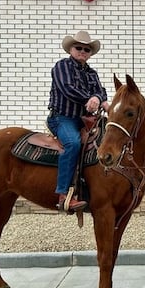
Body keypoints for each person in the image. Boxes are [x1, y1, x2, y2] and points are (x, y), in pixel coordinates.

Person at [47, 30, 110, 212]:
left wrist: (98, 98)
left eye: (87, 49)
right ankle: (64, 194)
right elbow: (68, 88)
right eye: (79, 48)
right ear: (71, 49)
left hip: (85, 120)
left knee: (107, 138)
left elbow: (101, 91)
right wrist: (89, 99)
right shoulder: (62, 67)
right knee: (73, 143)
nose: (83, 51)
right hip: (62, 118)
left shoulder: (92, 73)